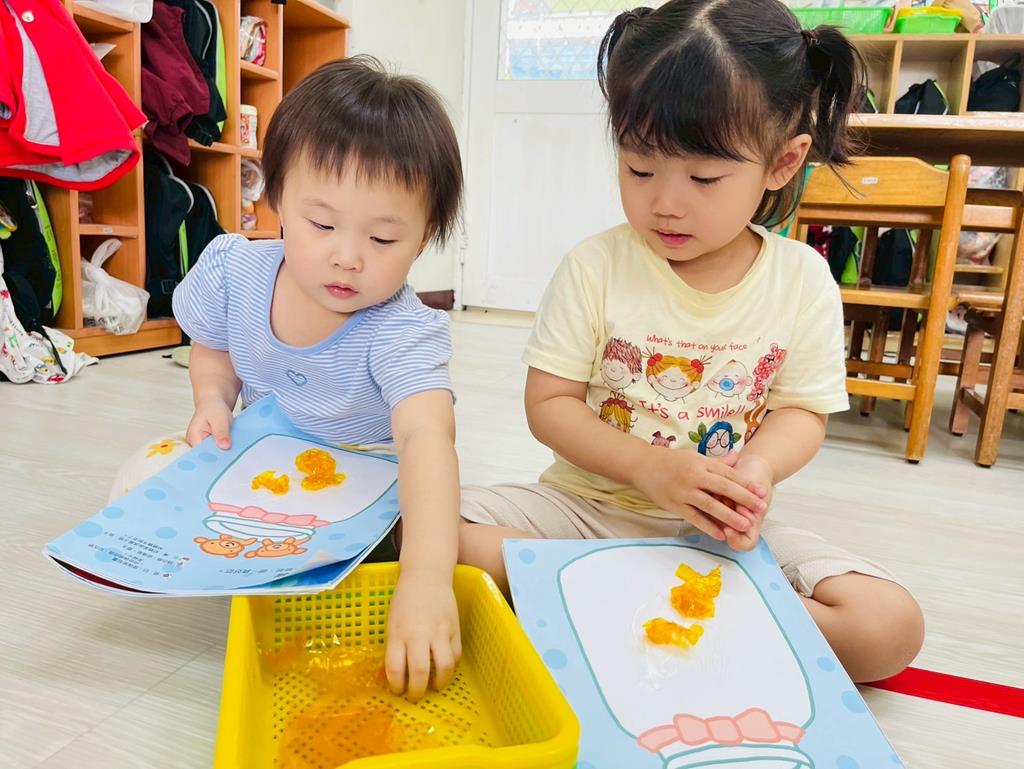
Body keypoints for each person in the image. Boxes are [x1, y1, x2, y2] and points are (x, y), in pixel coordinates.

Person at [459, 0, 924, 683]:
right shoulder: (596, 266)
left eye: (704, 178)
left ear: (783, 162)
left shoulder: (801, 279)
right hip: (583, 513)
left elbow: (801, 412)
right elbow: (549, 404)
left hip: (714, 538)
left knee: (889, 625)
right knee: (428, 528)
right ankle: (670, 607)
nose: (665, 203)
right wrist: (649, 468)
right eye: (639, 169)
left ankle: (610, 600)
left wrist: (757, 469)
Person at [112, 56, 464, 701]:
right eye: (322, 225)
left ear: (425, 236)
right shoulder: (234, 271)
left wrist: (427, 580)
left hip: (361, 493)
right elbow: (214, 348)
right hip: (260, 469)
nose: (347, 257)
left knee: (438, 537)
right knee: (140, 475)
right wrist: (212, 399)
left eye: (384, 239)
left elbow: (427, 438)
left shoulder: (402, 330)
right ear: (275, 197)